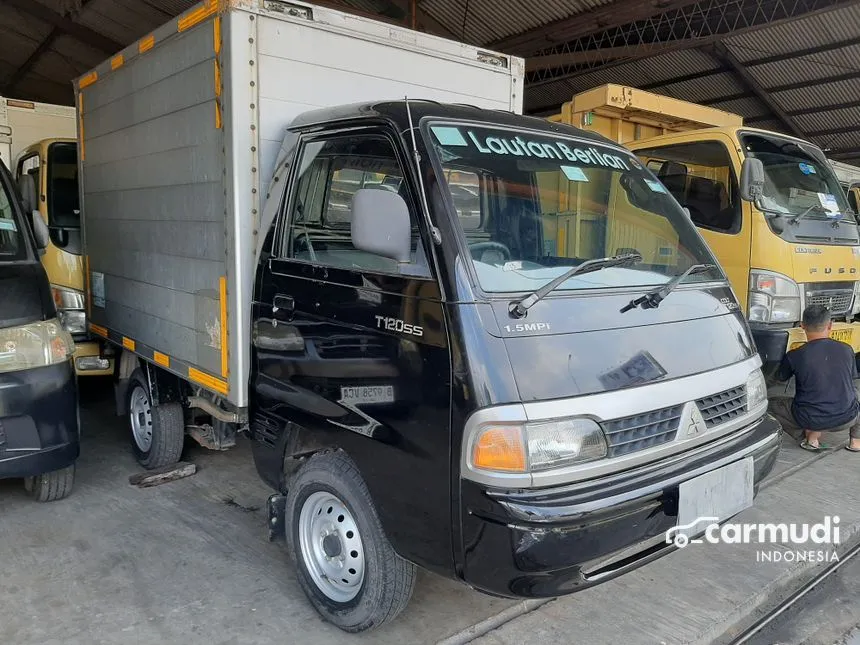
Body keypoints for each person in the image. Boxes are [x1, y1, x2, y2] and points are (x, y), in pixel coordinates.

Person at [769, 304, 860, 452]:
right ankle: (856, 441)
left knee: (769, 404)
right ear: (830, 325)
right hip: (847, 419)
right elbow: (850, 380)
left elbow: (779, 379)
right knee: (855, 392)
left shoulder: (795, 355)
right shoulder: (846, 349)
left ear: (802, 326)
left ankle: (810, 438)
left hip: (810, 420)